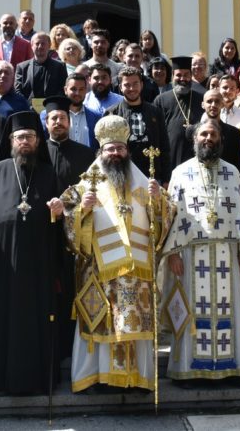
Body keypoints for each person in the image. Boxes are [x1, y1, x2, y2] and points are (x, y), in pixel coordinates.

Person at [0, 111, 68, 396]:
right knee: (6, 321)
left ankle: (40, 380)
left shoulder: (48, 173)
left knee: (38, 321)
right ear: (11, 140)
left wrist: (62, 211)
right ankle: (3, 379)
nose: (24, 142)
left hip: (40, 265)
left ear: (37, 141)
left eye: (30, 137)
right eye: (19, 137)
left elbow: (64, 221)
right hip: (4, 264)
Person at [63, 115, 166, 393]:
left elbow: (163, 219)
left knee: (133, 320)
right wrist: (82, 209)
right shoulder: (87, 184)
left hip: (135, 271)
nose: (116, 153)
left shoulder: (143, 183)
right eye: (111, 149)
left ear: (127, 151)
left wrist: (159, 201)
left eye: (120, 148)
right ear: (101, 152)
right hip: (99, 270)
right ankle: (100, 377)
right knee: (103, 322)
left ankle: (137, 378)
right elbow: (66, 218)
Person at [163, 119, 240, 384]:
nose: (208, 138)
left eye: (213, 134)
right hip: (190, 253)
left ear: (220, 139)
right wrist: (173, 253)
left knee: (230, 308)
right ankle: (188, 370)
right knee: (191, 308)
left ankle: (233, 368)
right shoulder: (181, 172)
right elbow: (171, 214)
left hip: (228, 251)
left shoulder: (233, 172)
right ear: (195, 139)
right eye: (203, 134)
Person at [106, 66, 171, 184]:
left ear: (141, 85)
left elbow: (164, 147)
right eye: (127, 85)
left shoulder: (155, 112)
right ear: (120, 87)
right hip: (123, 178)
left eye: (135, 84)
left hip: (153, 178)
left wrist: (166, 179)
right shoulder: (111, 113)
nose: (131, 88)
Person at [154, 56, 206, 171]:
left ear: (191, 76)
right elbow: (156, 133)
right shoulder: (160, 100)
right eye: (178, 75)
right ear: (173, 76)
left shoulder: (201, 99)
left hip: (197, 160)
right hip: (170, 160)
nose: (182, 78)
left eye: (186, 75)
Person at [44, 95, 96, 191]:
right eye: (54, 118)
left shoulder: (86, 154)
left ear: (69, 122)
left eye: (62, 118)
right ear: (46, 123)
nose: (58, 122)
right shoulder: (38, 152)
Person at [191, 88, 240, 179]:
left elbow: (239, 165)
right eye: (209, 101)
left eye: (217, 101)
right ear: (203, 105)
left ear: (223, 104)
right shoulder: (192, 131)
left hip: (227, 181)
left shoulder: (234, 133)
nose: (213, 105)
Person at [15, 32, 68, 105]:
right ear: (32, 46)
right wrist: (28, 105)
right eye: (37, 43)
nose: (40, 46)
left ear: (49, 45)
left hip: (51, 110)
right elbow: (18, 91)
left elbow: (62, 89)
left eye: (43, 43)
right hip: (28, 110)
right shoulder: (22, 67)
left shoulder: (60, 66)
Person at [49, 72, 99, 148]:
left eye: (81, 89)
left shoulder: (96, 116)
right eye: (73, 89)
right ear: (65, 90)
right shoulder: (52, 116)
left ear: (86, 90)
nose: (77, 93)